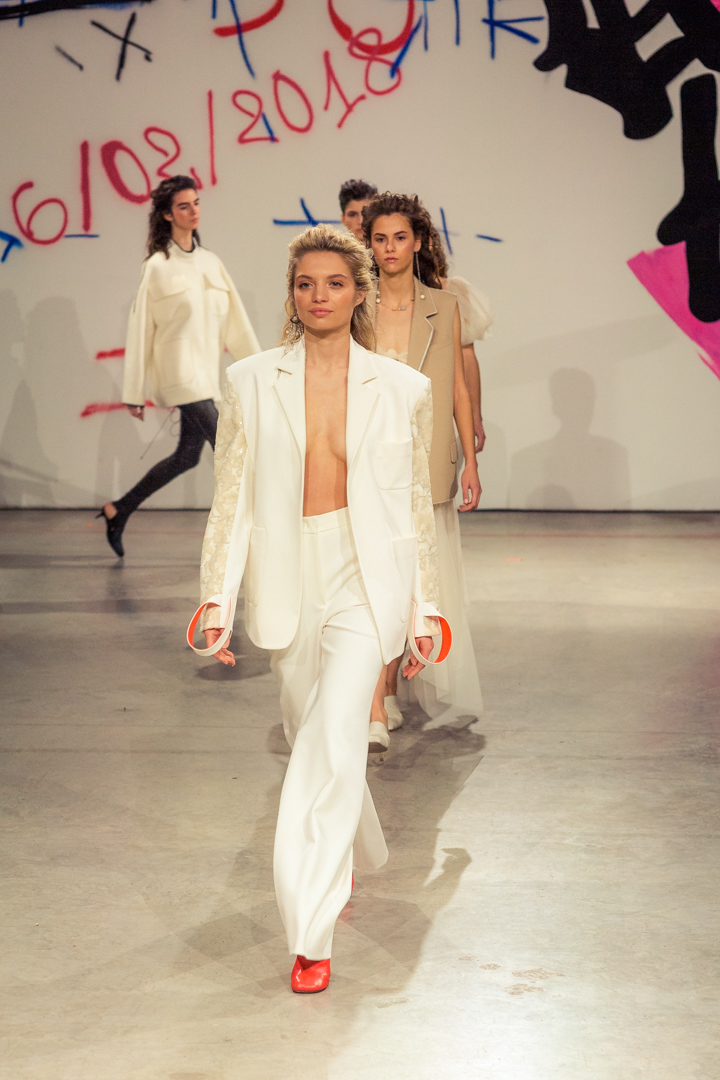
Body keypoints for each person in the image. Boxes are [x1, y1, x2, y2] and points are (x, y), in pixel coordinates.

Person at [187, 224, 446, 994]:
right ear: (292, 294)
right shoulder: (250, 381)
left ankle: (311, 928)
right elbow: (231, 499)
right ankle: (354, 847)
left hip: (366, 578)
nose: (319, 296)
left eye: (335, 283)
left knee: (335, 733)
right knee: (313, 729)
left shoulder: (401, 387)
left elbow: (412, 506)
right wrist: (215, 596)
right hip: (289, 574)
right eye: (306, 284)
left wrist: (426, 605)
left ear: (359, 291)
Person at [362, 192, 483, 747]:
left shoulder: (444, 305)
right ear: (369, 244)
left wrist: (471, 460)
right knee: (374, 575)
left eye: (400, 237)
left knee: (412, 578)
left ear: (418, 243)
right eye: (380, 238)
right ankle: (377, 697)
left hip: (426, 454)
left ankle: (388, 687)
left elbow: (456, 386)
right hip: (365, 454)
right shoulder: (354, 303)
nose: (390, 248)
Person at [97, 175, 259, 556]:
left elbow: (236, 322)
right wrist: (134, 391)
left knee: (187, 457)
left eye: (196, 203)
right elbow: (140, 329)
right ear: (168, 215)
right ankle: (247, 538)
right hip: (179, 376)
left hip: (206, 377)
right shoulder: (157, 266)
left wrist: (258, 370)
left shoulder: (211, 262)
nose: (193, 211)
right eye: (184, 206)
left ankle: (119, 509)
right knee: (229, 446)